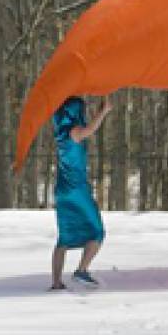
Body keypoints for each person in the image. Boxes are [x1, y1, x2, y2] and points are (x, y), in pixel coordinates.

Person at [50, 94, 113, 291]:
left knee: (64, 236)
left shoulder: (61, 134)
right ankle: (82, 270)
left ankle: (56, 282)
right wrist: (103, 112)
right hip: (77, 189)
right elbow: (90, 129)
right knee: (97, 231)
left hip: (62, 190)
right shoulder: (74, 132)